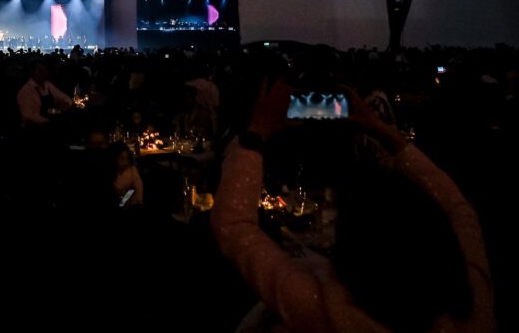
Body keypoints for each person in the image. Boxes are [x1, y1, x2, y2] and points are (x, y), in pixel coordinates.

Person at [211, 80, 495, 333]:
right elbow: (458, 208)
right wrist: (383, 131)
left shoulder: (324, 310)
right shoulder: (476, 297)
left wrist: (256, 133)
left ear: (349, 247)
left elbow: (235, 228)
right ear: (441, 235)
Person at [16, 60, 72, 126]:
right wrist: (49, 122)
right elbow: (27, 116)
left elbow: (64, 97)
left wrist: (64, 105)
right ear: (31, 72)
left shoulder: (48, 85)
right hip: (35, 128)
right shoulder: (25, 91)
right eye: (40, 71)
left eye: (45, 71)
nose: (43, 74)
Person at [107, 141, 143, 207]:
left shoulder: (131, 170)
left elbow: (137, 186)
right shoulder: (110, 173)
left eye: (127, 158)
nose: (125, 162)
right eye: (121, 158)